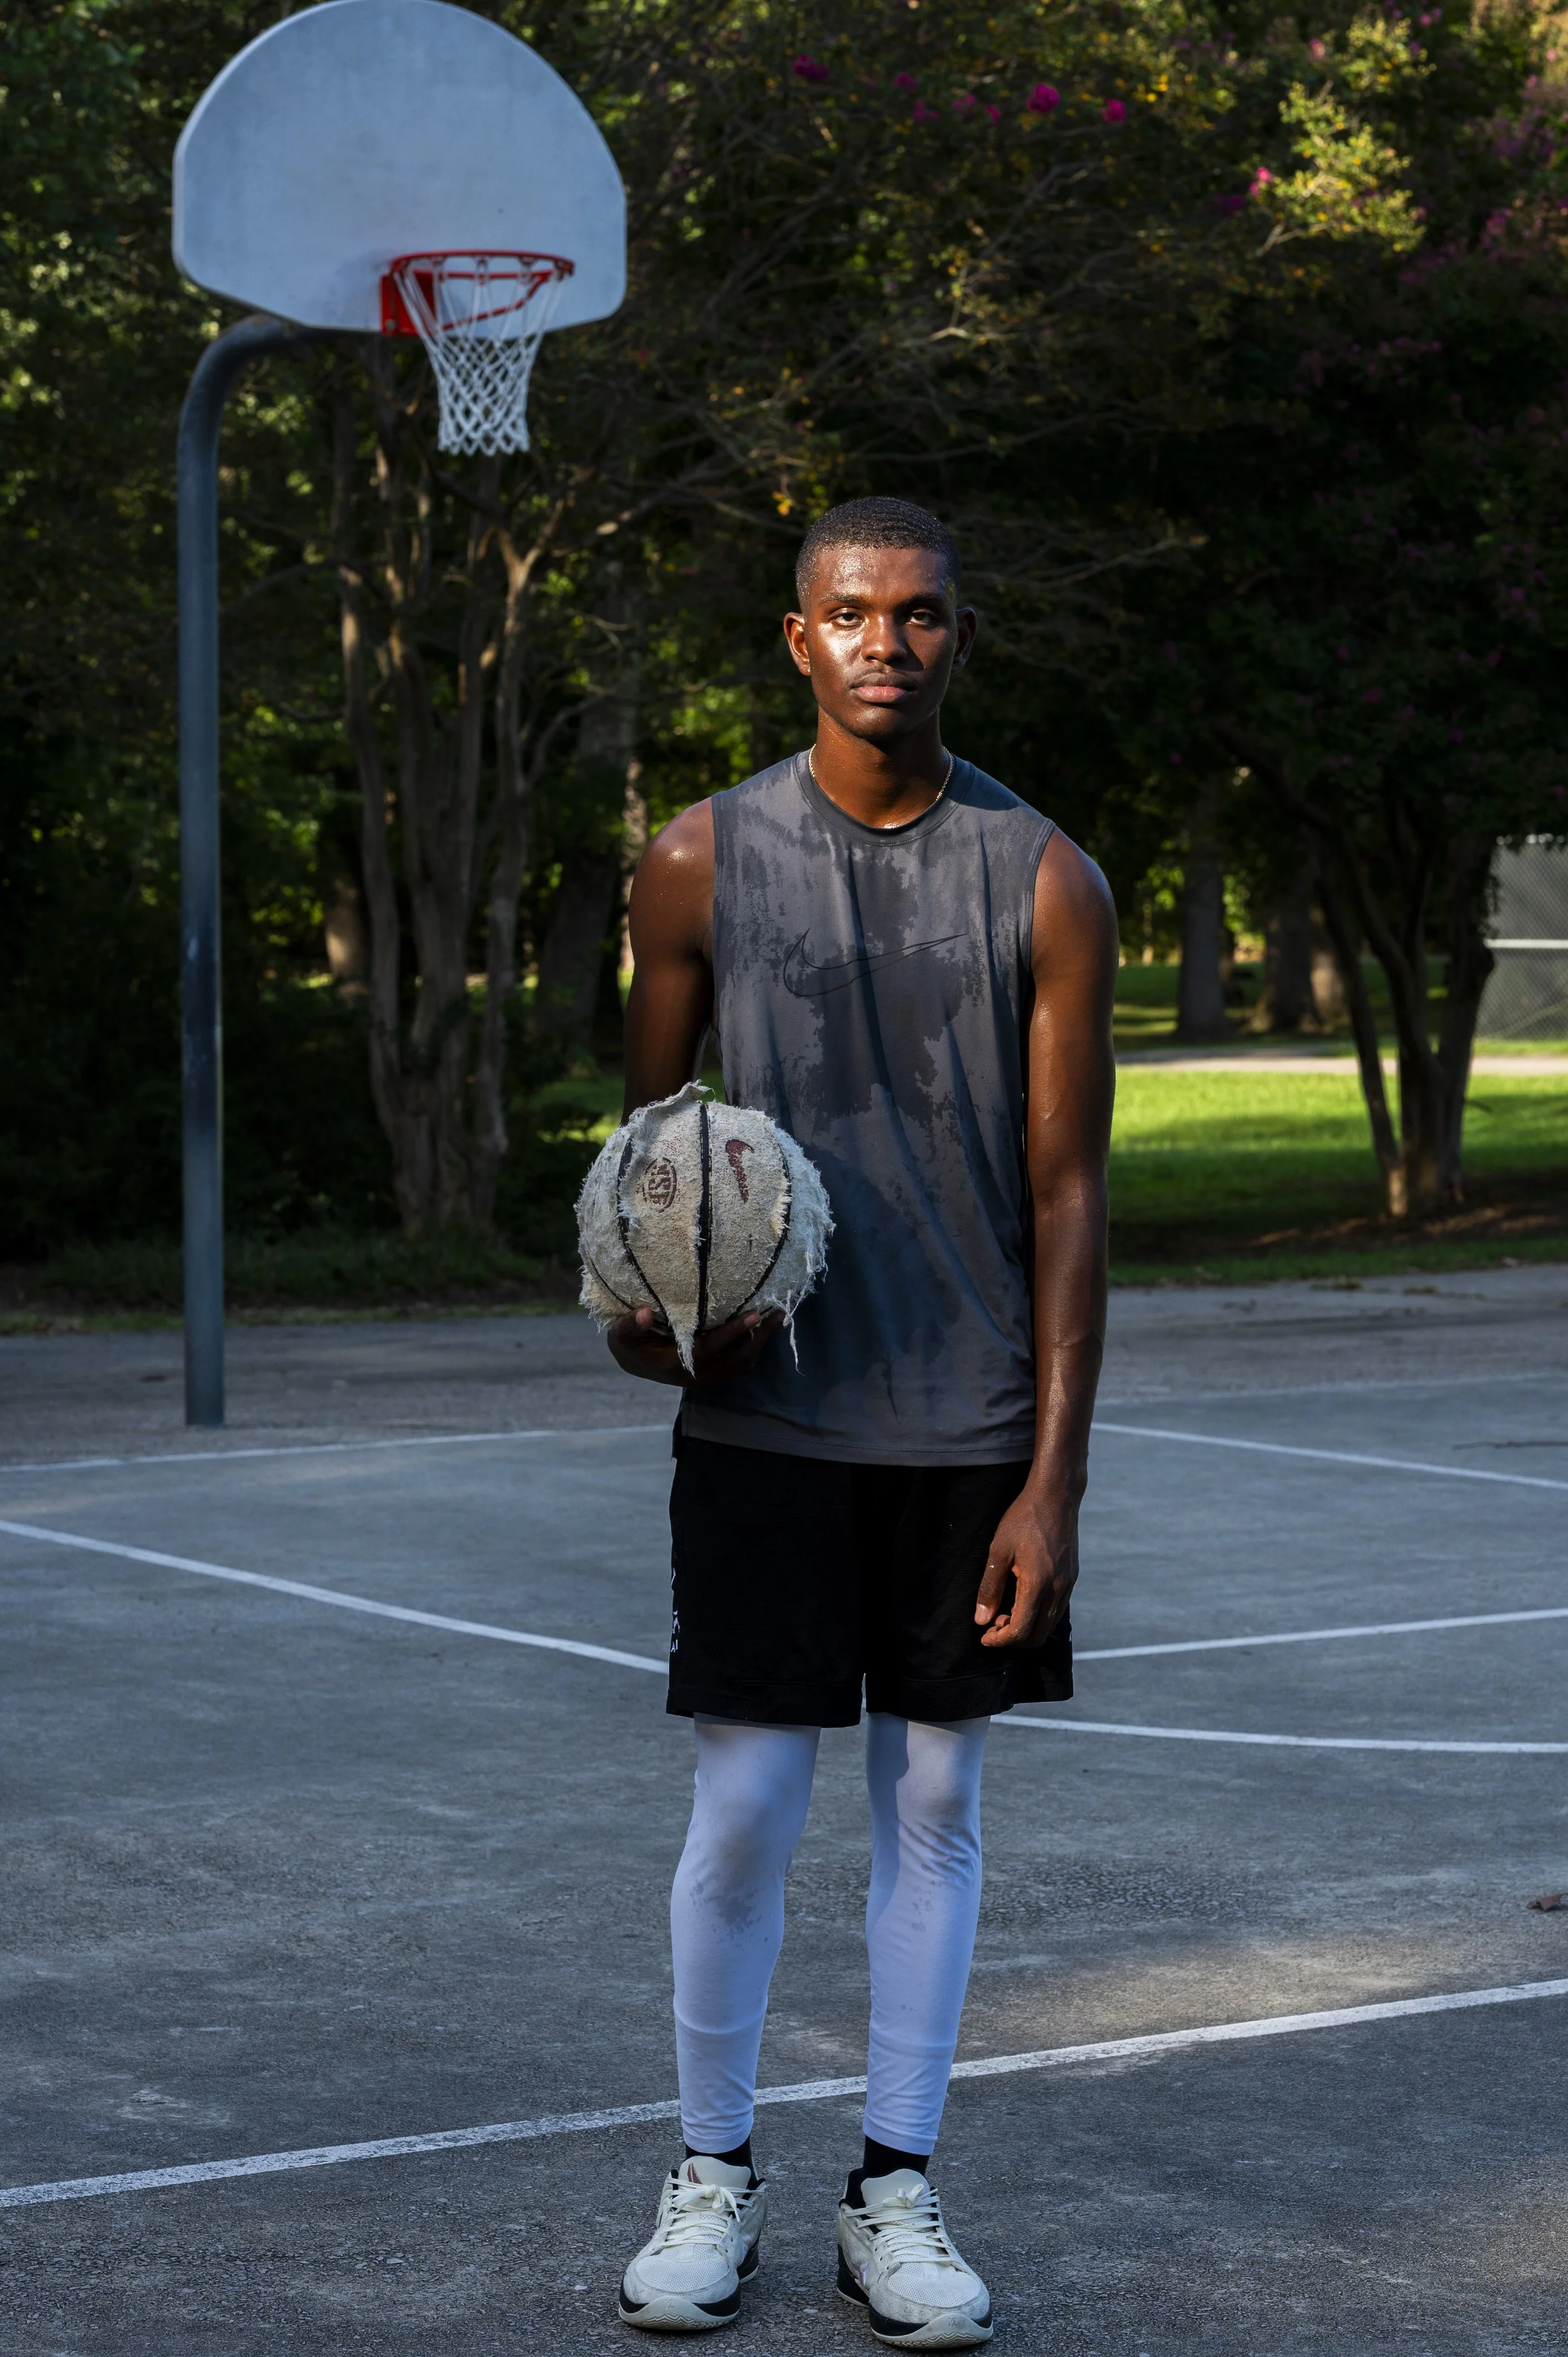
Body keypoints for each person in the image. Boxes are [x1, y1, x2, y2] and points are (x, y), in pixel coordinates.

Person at [605, 496, 1116, 2346]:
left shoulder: (1046, 874)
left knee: (935, 1790)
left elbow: (1067, 1195)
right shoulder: (695, 860)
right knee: (744, 1801)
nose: (882, 642)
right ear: (796, 637)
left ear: (954, 641)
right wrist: (650, 1327)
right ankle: (712, 2168)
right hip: (769, 1419)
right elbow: (643, 1169)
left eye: (915, 615)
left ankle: (891, 2184)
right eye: (849, 613)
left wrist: (1051, 1480)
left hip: (969, 1416)